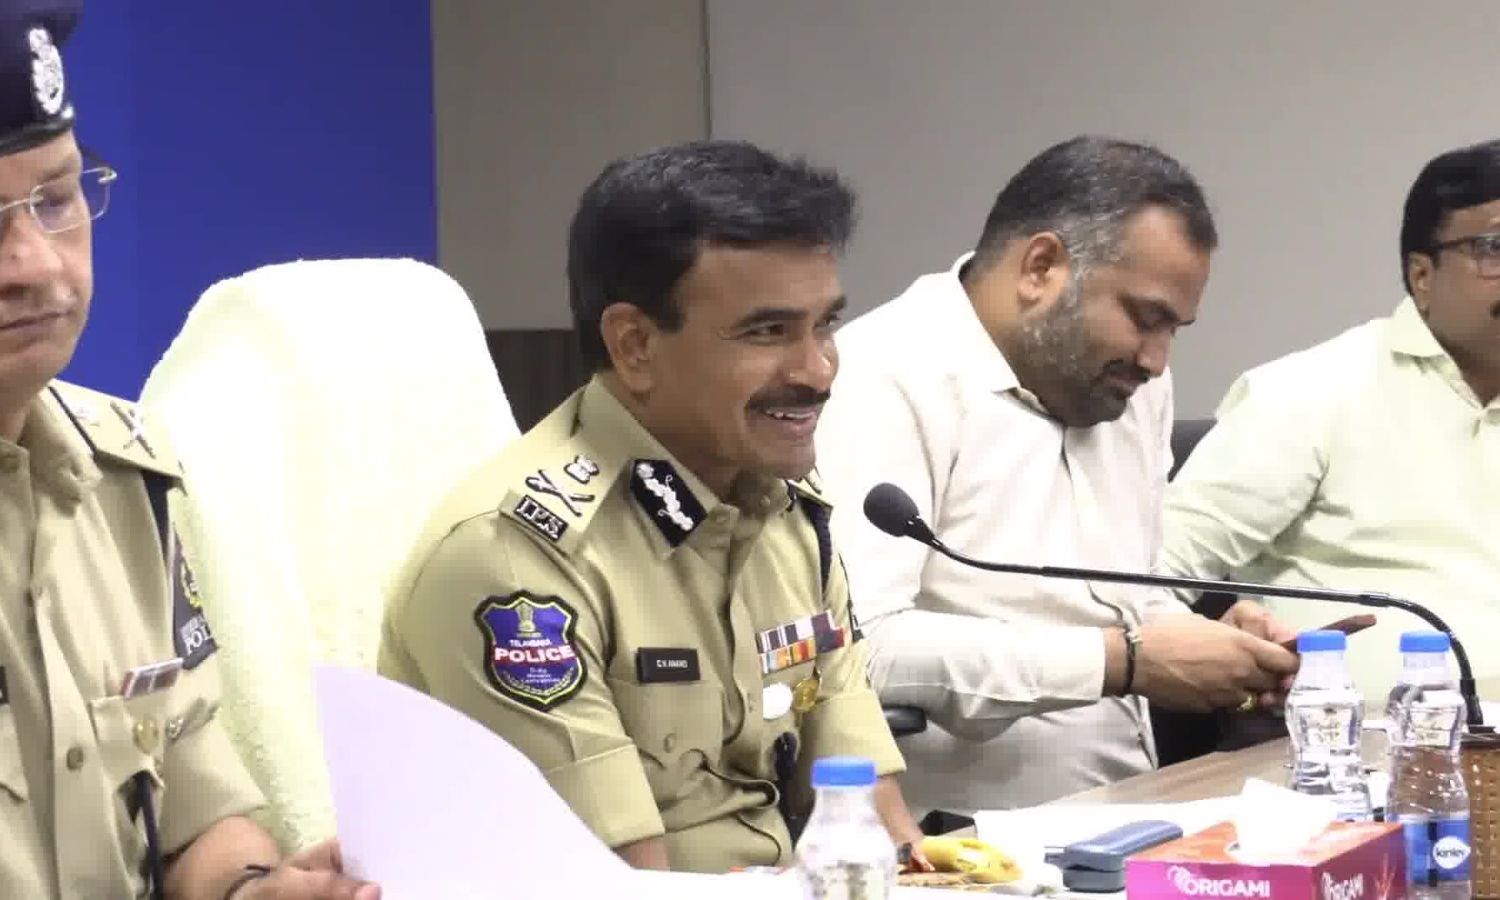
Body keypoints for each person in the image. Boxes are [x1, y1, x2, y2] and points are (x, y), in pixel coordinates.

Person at [378, 139, 926, 872]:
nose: (818, 370)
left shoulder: (786, 509)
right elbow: (616, 882)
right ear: (634, 344)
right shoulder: (515, 557)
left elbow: (869, 812)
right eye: (767, 332)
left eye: (824, 324)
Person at [0, 2, 378, 897]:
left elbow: (196, 814)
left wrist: (255, 889)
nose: (37, 265)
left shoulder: (120, 481)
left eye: (55, 201)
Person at [815, 136, 1300, 816]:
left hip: (1142, 813)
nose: (1157, 360)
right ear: (1040, 267)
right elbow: (860, 649)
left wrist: (1216, 642)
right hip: (961, 842)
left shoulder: (1127, 386)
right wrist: (1121, 661)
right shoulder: (880, 375)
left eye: (1175, 330)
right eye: (1146, 319)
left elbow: (1125, 601)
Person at [1160, 139, 1500, 702]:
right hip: (1360, 741)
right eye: (1494, 247)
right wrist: (1225, 649)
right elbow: (1154, 571)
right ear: (1422, 275)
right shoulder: (1310, 392)